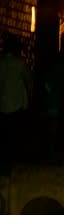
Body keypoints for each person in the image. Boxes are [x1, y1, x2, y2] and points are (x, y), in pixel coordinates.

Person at [0, 33, 33, 170]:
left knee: (3, 138)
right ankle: (13, 165)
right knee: (15, 138)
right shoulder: (20, 64)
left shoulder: (1, 63)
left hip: (2, 106)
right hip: (18, 106)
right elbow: (29, 82)